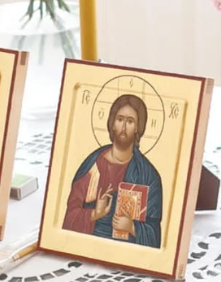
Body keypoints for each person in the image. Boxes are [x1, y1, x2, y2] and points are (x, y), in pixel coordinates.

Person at [61, 94, 163, 248]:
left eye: (130, 121)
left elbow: (154, 234)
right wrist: (95, 214)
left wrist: (132, 227)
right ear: (112, 123)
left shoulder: (148, 176)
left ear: (137, 127)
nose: (123, 127)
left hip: (125, 253)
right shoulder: (92, 166)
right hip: (87, 246)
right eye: (120, 119)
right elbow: (69, 219)